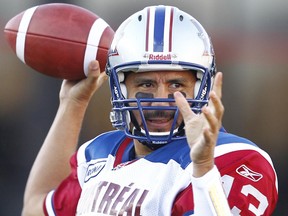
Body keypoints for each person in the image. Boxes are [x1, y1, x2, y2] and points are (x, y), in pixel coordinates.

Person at [22, 5, 278, 216]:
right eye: (146, 84)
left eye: (176, 84)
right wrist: (72, 104)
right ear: (121, 89)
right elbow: (35, 209)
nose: (160, 99)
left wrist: (203, 167)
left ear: (202, 89)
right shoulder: (99, 155)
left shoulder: (237, 160)